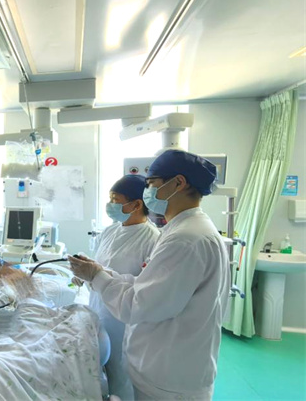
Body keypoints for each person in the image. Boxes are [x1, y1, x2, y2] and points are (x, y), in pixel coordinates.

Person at [69, 150, 230, 401]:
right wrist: (100, 273)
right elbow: (148, 285)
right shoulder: (185, 230)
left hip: (169, 376)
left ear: (178, 183)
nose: (148, 192)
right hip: (166, 366)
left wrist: (98, 277)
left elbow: (139, 304)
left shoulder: (185, 239)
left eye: (152, 184)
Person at [89, 174, 160, 401]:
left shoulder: (152, 239)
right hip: (98, 309)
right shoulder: (110, 231)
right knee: (99, 369)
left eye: (115, 199)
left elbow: (145, 285)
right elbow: (98, 265)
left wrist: (100, 275)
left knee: (122, 374)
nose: (110, 205)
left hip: (124, 321)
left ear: (136, 204)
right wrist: (85, 274)